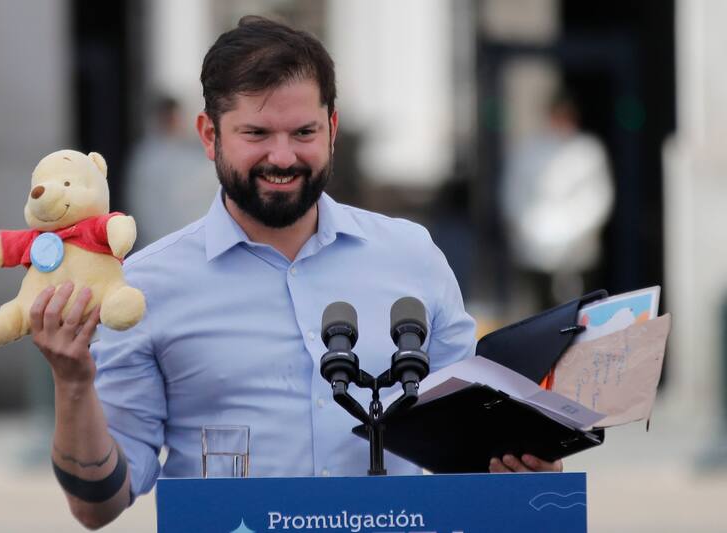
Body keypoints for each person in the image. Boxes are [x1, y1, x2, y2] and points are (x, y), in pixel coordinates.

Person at [31, 16, 562, 529]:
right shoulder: (145, 286)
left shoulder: (411, 255)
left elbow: (472, 443)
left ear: (332, 128)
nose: (282, 156)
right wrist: (73, 383)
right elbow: (97, 506)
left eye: (303, 131)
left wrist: (524, 465)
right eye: (256, 133)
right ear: (209, 135)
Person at [500, 92, 614, 309]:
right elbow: (513, 196)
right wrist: (534, 232)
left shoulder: (588, 151)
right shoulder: (528, 150)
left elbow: (597, 200)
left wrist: (569, 234)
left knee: (581, 316)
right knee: (540, 313)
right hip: (535, 254)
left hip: (577, 255)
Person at [125, 95, 218, 249]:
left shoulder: (191, 151)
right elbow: (144, 205)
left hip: (192, 240)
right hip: (159, 240)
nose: (174, 122)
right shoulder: (147, 157)